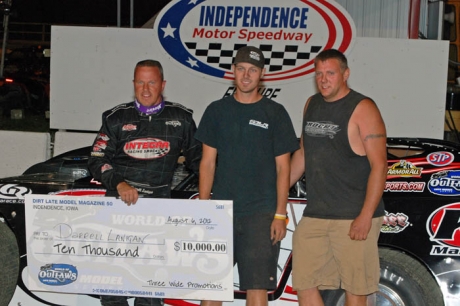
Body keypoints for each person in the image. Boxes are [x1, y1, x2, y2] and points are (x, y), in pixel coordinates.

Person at [88, 59, 201, 306]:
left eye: (152, 82)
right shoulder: (116, 118)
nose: (146, 89)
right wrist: (118, 183)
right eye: (140, 82)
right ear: (133, 84)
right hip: (119, 206)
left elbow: (200, 162)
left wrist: (217, 191)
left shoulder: (181, 118)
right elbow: (96, 159)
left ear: (163, 84)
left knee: (151, 286)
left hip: (158, 208)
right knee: (113, 284)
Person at [195, 46, 299, 306]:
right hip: (221, 213)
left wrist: (279, 214)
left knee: (256, 291)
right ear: (233, 71)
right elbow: (207, 163)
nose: (245, 75)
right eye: (241, 69)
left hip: (261, 215)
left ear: (261, 74)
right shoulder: (216, 110)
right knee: (211, 287)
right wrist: (206, 208)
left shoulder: (275, 113)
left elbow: (283, 169)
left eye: (252, 70)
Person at [289, 48, 387, 306]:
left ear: (345, 74)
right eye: (319, 74)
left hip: (353, 215)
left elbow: (380, 165)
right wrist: (275, 191)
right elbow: (303, 153)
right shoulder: (311, 104)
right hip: (316, 213)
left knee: (355, 290)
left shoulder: (363, 107)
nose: (323, 79)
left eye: (330, 73)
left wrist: (365, 216)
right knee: (303, 283)